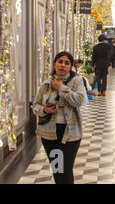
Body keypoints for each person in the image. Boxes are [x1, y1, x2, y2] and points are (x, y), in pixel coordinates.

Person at [31, 51, 86, 184]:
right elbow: (35, 105)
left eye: (67, 63)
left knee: (65, 169)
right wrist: (44, 109)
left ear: (71, 66)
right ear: (54, 64)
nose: (63, 65)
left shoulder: (77, 81)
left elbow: (79, 100)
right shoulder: (46, 84)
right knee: (57, 168)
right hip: (49, 133)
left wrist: (61, 88)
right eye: (60, 61)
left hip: (70, 132)